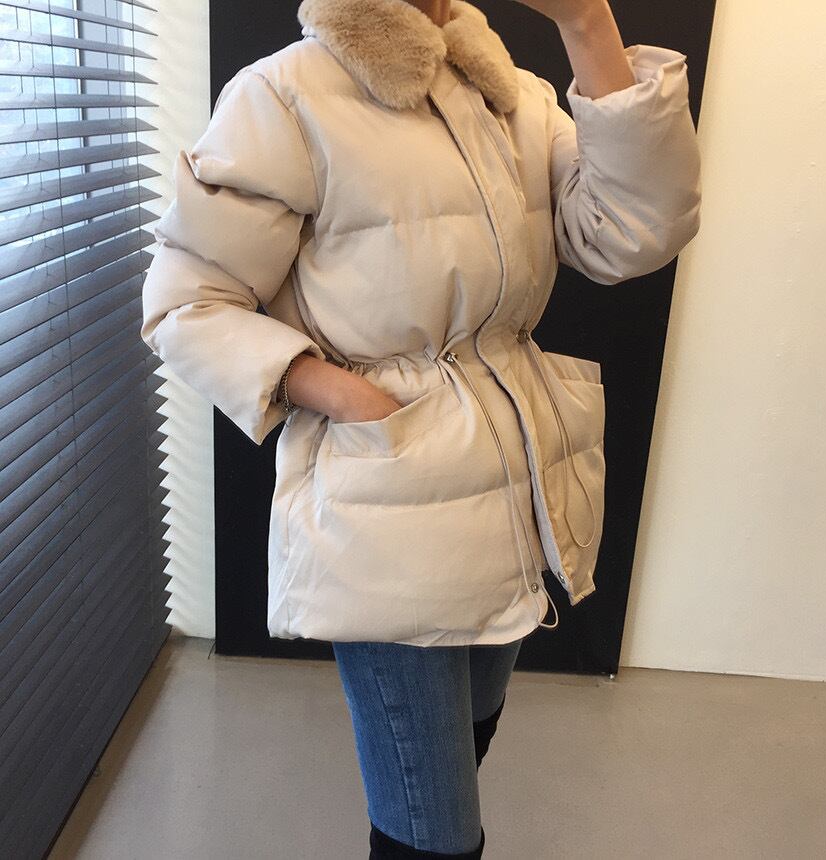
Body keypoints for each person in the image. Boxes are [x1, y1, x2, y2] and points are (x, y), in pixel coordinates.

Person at [140, 0, 702, 854]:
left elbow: (632, 235)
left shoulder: (511, 94)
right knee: (433, 834)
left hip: (515, 490)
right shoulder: (285, 95)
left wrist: (589, 24)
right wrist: (340, 394)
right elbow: (188, 303)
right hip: (388, 499)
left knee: (465, 744)